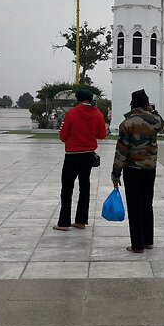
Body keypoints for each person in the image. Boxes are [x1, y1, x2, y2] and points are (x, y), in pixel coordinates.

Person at [111, 89, 164, 252]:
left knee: (134, 205)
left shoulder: (127, 123)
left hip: (132, 169)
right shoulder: (154, 120)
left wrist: (116, 173)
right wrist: (154, 111)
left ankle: (137, 244)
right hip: (149, 168)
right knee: (147, 204)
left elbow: (121, 150)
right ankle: (148, 241)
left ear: (132, 104)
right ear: (146, 103)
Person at [54, 89, 107, 231]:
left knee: (67, 188)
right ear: (90, 99)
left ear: (78, 99)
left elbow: (63, 136)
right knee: (84, 187)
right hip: (88, 155)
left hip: (72, 155)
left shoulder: (71, 113)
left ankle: (64, 222)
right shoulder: (98, 115)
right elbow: (102, 135)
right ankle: (81, 220)